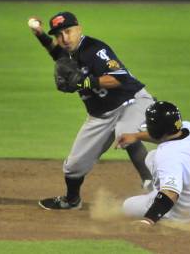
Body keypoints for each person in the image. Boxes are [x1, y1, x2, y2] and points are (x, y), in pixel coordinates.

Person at [28, 11, 154, 210]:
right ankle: (71, 200)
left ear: (79, 29)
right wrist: (40, 34)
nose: (64, 38)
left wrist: (86, 82)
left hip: (131, 101)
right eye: (59, 35)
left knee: (126, 134)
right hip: (101, 115)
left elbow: (120, 78)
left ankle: (153, 186)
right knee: (73, 167)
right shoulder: (66, 51)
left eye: (68, 32)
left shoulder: (95, 49)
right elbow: (56, 52)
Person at [116, 101, 190, 225]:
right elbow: (165, 135)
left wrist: (148, 220)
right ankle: (161, 187)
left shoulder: (168, 155)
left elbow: (171, 193)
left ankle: (157, 192)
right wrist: (136, 136)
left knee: (127, 206)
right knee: (152, 157)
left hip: (187, 215)